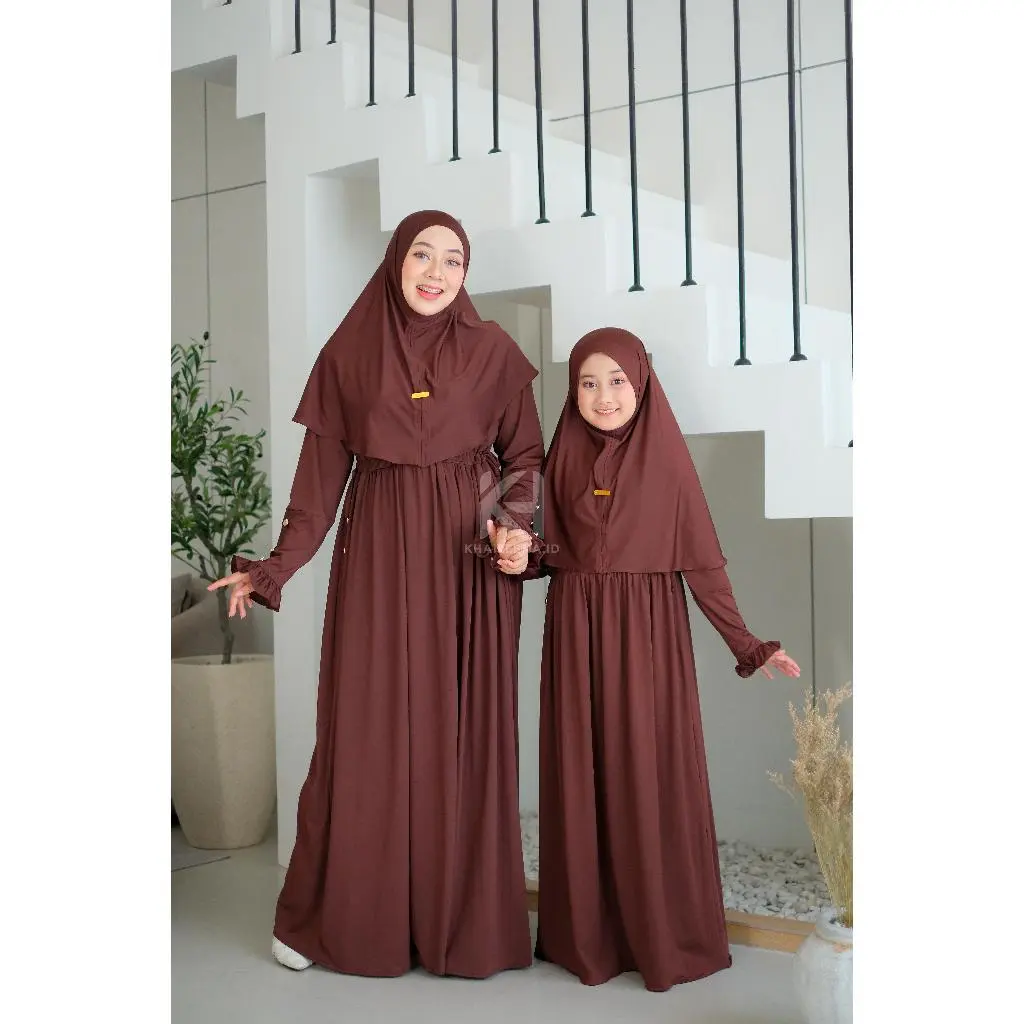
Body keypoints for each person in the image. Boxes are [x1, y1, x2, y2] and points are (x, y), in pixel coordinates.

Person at [208, 210, 541, 980]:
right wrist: (272, 569)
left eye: (452, 260)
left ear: (465, 273)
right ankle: (342, 920)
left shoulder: (493, 351)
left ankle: (460, 926)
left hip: (470, 564)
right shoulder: (349, 355)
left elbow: (525, 455)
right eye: (422, 254)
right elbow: (317, 489)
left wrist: (516, 526)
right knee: (365, 733)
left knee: (462, 735)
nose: (436, 272)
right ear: (395, 261)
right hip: (380, 561)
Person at [530, 327, 801, 992]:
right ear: (573, 392)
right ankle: (588, 939)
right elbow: (541, 552)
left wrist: (748, 643)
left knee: (646, 774)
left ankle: (660, 933)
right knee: (581, 776)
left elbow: (702, 564)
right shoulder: (559, 459)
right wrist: (508, 553)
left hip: (646, 638)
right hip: (573, 636)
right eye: (588, 383)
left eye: (617, 381)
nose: (604, 396)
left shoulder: (669, 463)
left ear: (642, 383)